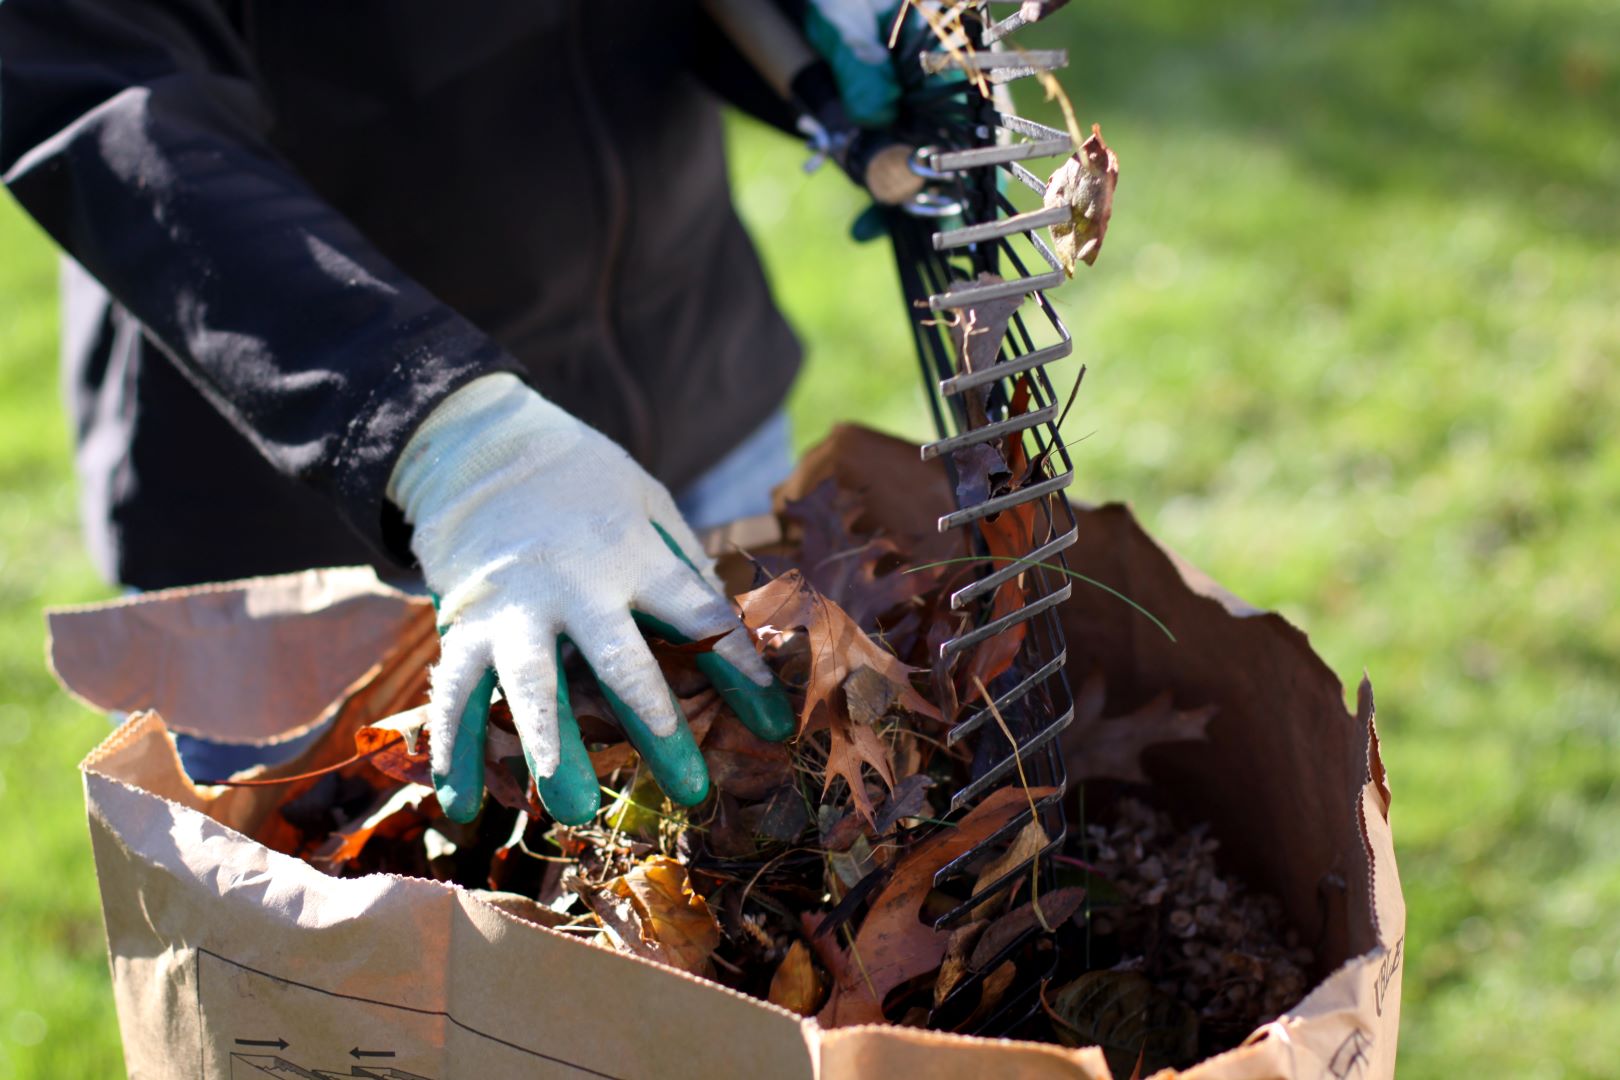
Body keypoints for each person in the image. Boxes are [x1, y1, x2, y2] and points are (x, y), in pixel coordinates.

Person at [0, 0, 903, 821]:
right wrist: (446, 438)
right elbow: (101, 87)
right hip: (322, 513)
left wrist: (832, 41)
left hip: (687, 392)